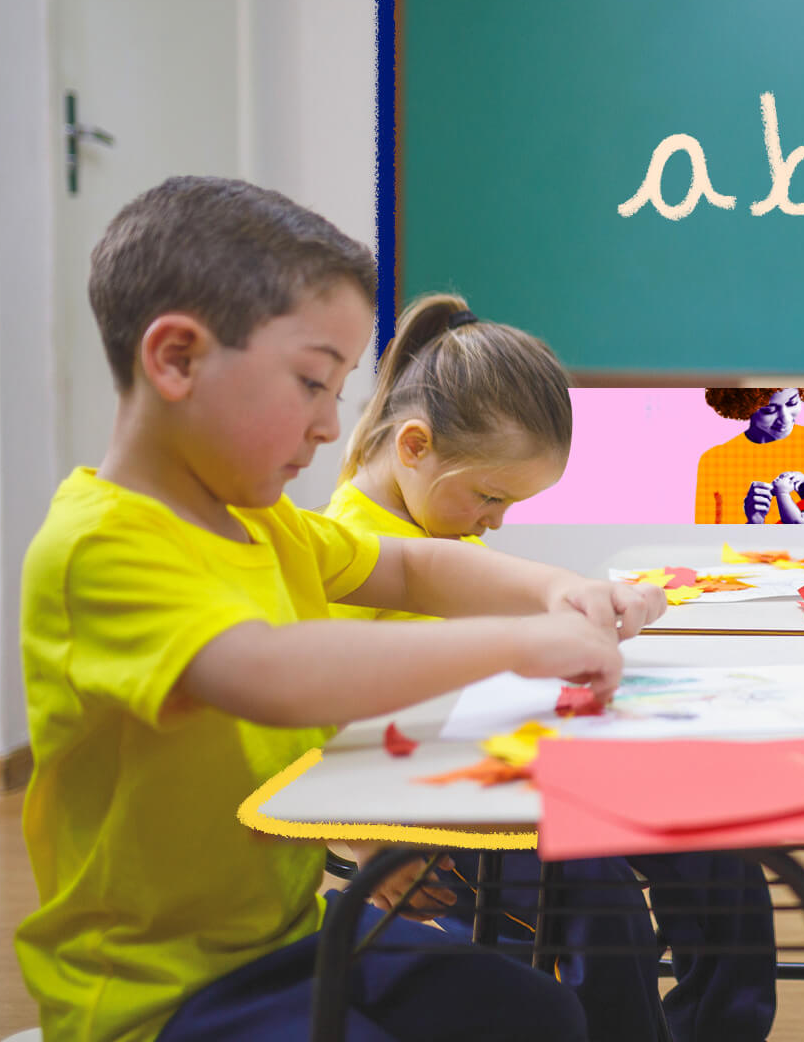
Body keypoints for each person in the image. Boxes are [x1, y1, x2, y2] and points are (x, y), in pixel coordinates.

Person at [15, 176, 654, 1041]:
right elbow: (273, 677)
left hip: (293, 940)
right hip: (155, 995)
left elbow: (415, 572)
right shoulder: (101, 546)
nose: (329, 427)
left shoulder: (264, 521)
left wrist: (559, 591)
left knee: (538, 1012)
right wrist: (521, 642)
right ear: (176, 360)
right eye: (313, 383)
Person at [327, 292, 778, 1042]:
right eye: (491, 496)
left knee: (715, 857)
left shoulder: (437, 525)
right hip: (441, 812)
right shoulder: (348, 548)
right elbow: (308, 734)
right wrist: (364, 839)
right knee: (603, 907)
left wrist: (621, 603)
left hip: (522, 777)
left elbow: (512, 623)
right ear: (413, 448)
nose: (497, 520)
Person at [694, 387, 804, 523]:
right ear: (745, 408)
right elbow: (705, 541)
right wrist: (754, 523)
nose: (785, 419)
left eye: (792, 402)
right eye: (768, 410)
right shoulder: (716, 461)